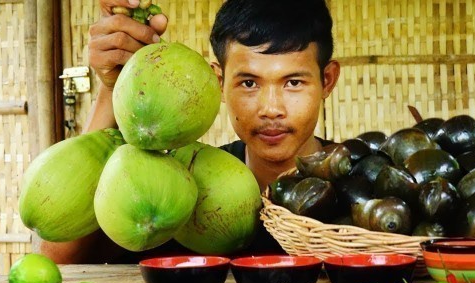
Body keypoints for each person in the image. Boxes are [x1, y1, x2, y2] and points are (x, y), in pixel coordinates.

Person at [40, 0, 341, 264]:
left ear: (327, 80)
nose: (271, 109)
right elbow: (58, 259)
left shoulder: (369, 186)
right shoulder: (179, 187)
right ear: (218, 82)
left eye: (293, 83)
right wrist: (113, 87)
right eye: (249, 83)